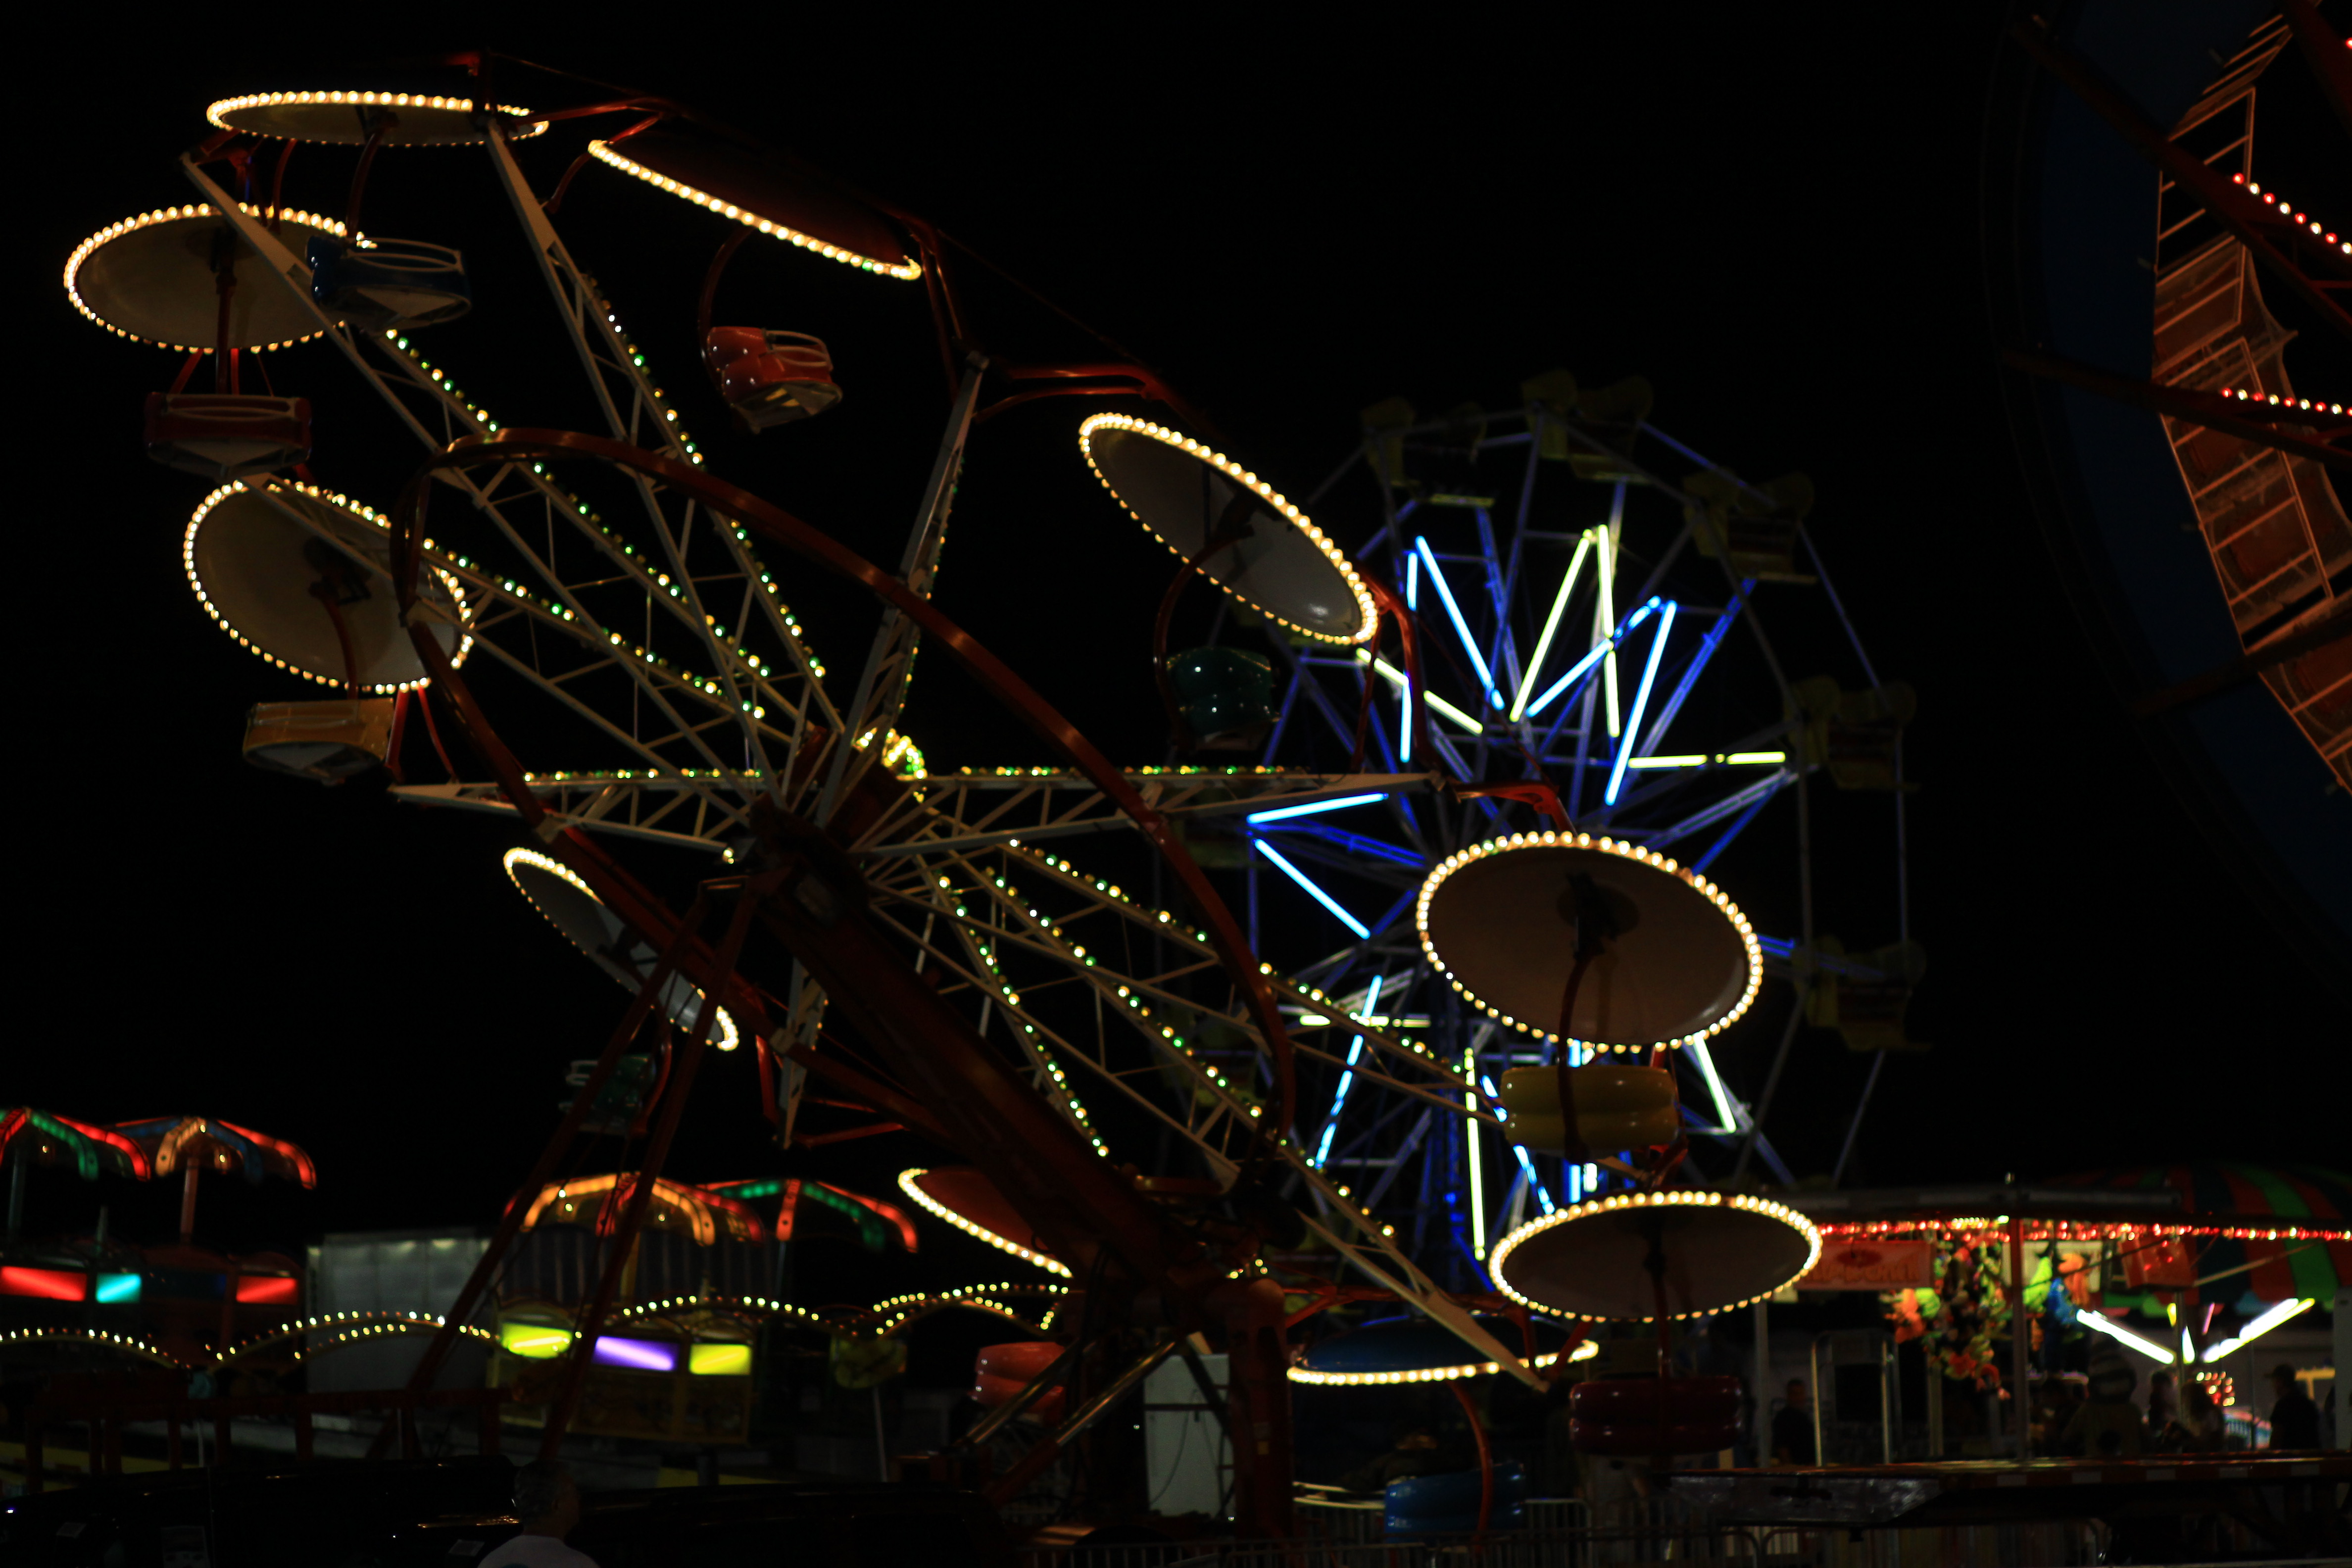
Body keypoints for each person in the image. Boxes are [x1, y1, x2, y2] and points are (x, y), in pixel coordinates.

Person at [480, 1461, 599, 1568]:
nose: (579, 1500)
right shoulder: (578, 1564)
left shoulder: (491, 1562)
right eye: (574, 1495)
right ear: (557, 1505)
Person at [2266, 1365, 2320, 1450]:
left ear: (2280, 1382)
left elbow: (2277, 1437)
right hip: (2309, 1458)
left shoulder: (2283, 1406)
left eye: (2274, 1381)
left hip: (2288, 1458)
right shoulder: (2307, 1404)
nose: (2273, 1386)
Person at [1770, 1379, 1814, 1466]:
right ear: (1788, 1396)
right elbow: (1782, 1447)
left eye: (1801, 1394)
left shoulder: (1805, 1418)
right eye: (1795, 1394)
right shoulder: (1783, 1419)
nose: (1799, 1398)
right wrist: (1791, 1470)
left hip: (1809, 1469)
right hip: (1797, 1470)